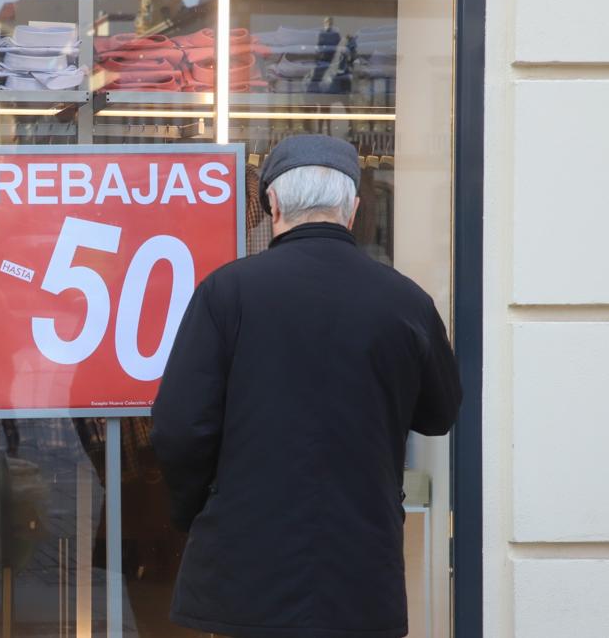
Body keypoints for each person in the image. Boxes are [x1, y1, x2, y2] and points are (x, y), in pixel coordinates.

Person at [150, 134, 462, 638]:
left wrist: (196, 509)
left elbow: (179, 426)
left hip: (245, 564)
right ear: (355, 208)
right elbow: (440, 413)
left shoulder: (226, 292)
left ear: (272, 203)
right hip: (362, 564)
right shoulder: (405, 301)